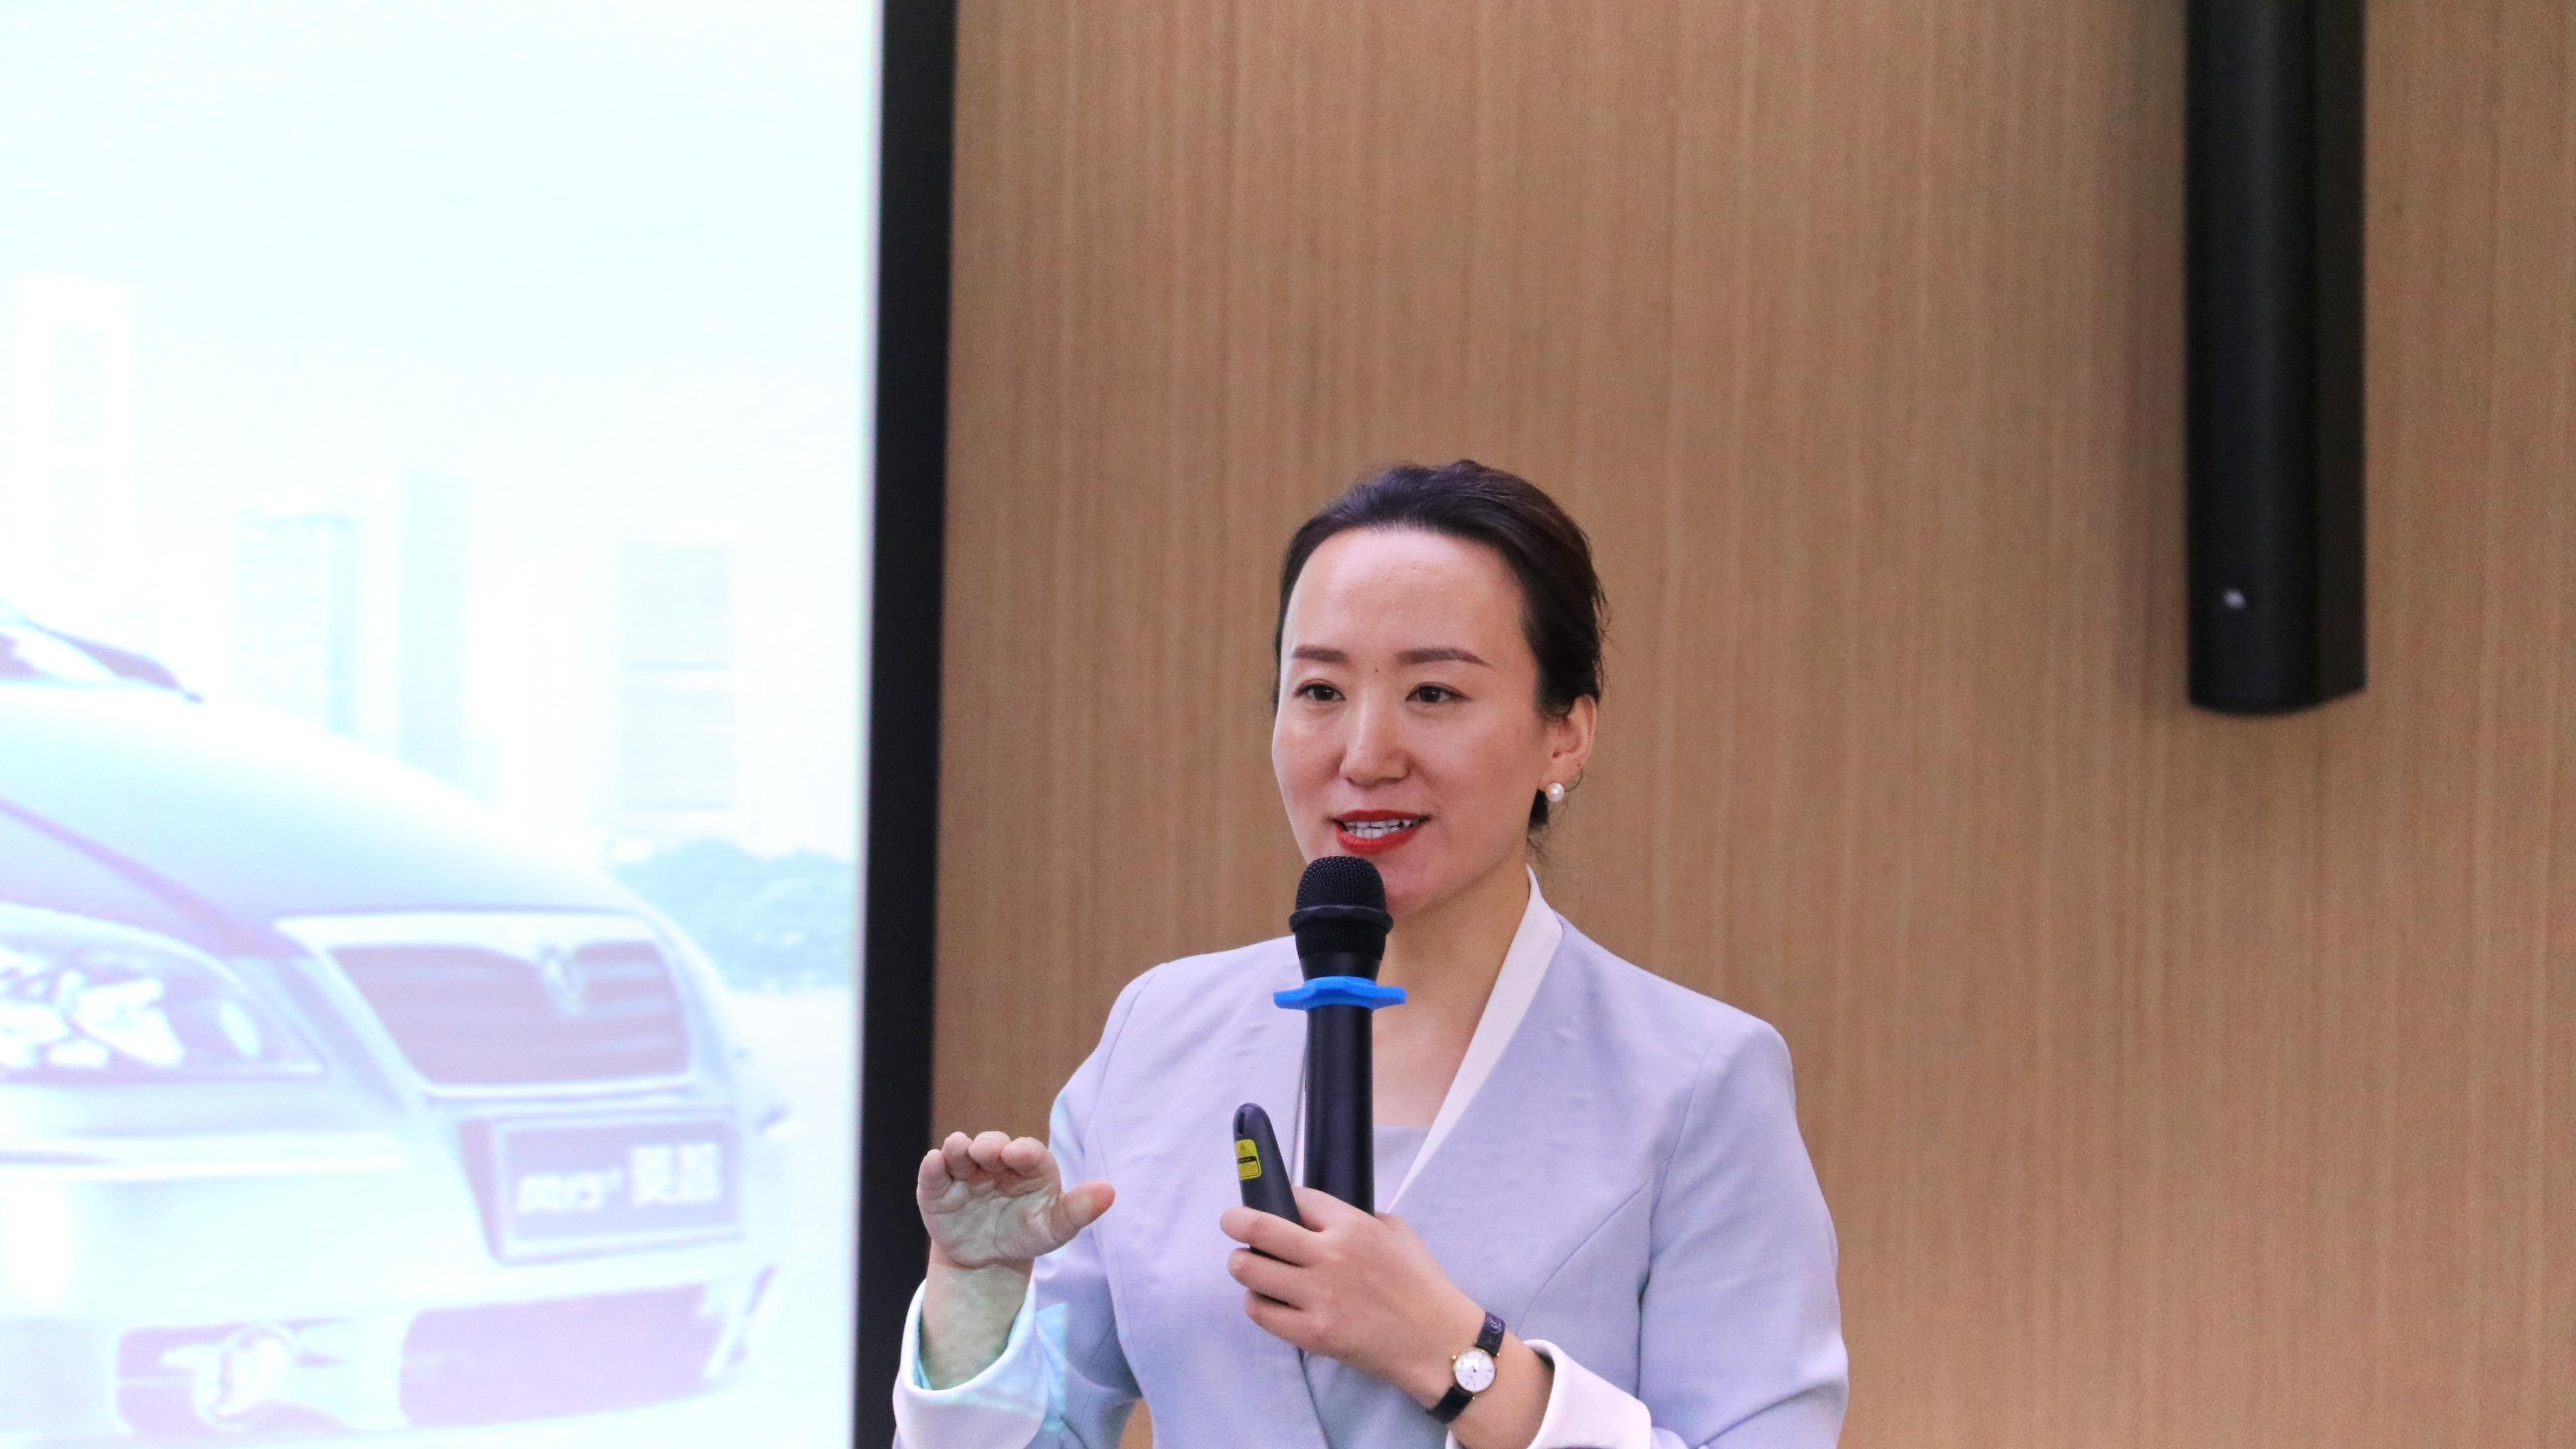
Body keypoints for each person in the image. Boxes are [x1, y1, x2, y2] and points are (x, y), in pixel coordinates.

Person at [896, 462, 1846, 1448]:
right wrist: (975, 1304)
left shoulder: (1700, 1082)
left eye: (1434, 692)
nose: (1363, 754)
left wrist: (1460, 1358)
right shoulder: (1158, 1032)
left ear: (1564, 736)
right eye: (1319, 690)